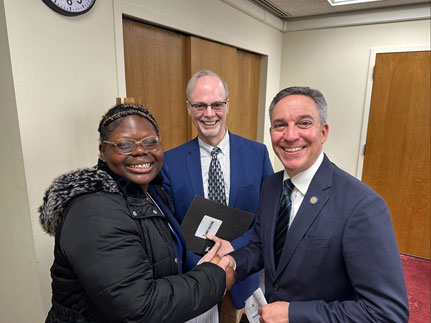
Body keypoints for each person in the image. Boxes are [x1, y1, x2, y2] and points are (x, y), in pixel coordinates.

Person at [218, 86, 409, 322]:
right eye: (280, 125)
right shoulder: (271, 186)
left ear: (324, 131)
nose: (290, 135)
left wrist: (293, 313)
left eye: (304, 123)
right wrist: (234, 261)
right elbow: (260, 246)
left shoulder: (362, 205)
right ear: (271, 132)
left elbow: (387, 313)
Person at [39, 103, 234, 323]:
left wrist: (210, 257)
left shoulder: (153, 192)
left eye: (150, 142)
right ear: (103, 151)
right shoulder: (94, 209)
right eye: (124, 144)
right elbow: (140, 308)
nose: (140, 151)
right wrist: (216, 277)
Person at [161, 70, 274, 311]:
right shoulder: (171, 162)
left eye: (217, 104)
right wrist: (202, 266)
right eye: (200, 105)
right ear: (189, 108)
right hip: (194, 277)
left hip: (244, 273)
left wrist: (233, 251)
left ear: (227, 104)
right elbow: (169, 227)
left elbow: (268, 216)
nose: (209, 113)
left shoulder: (257, 154)